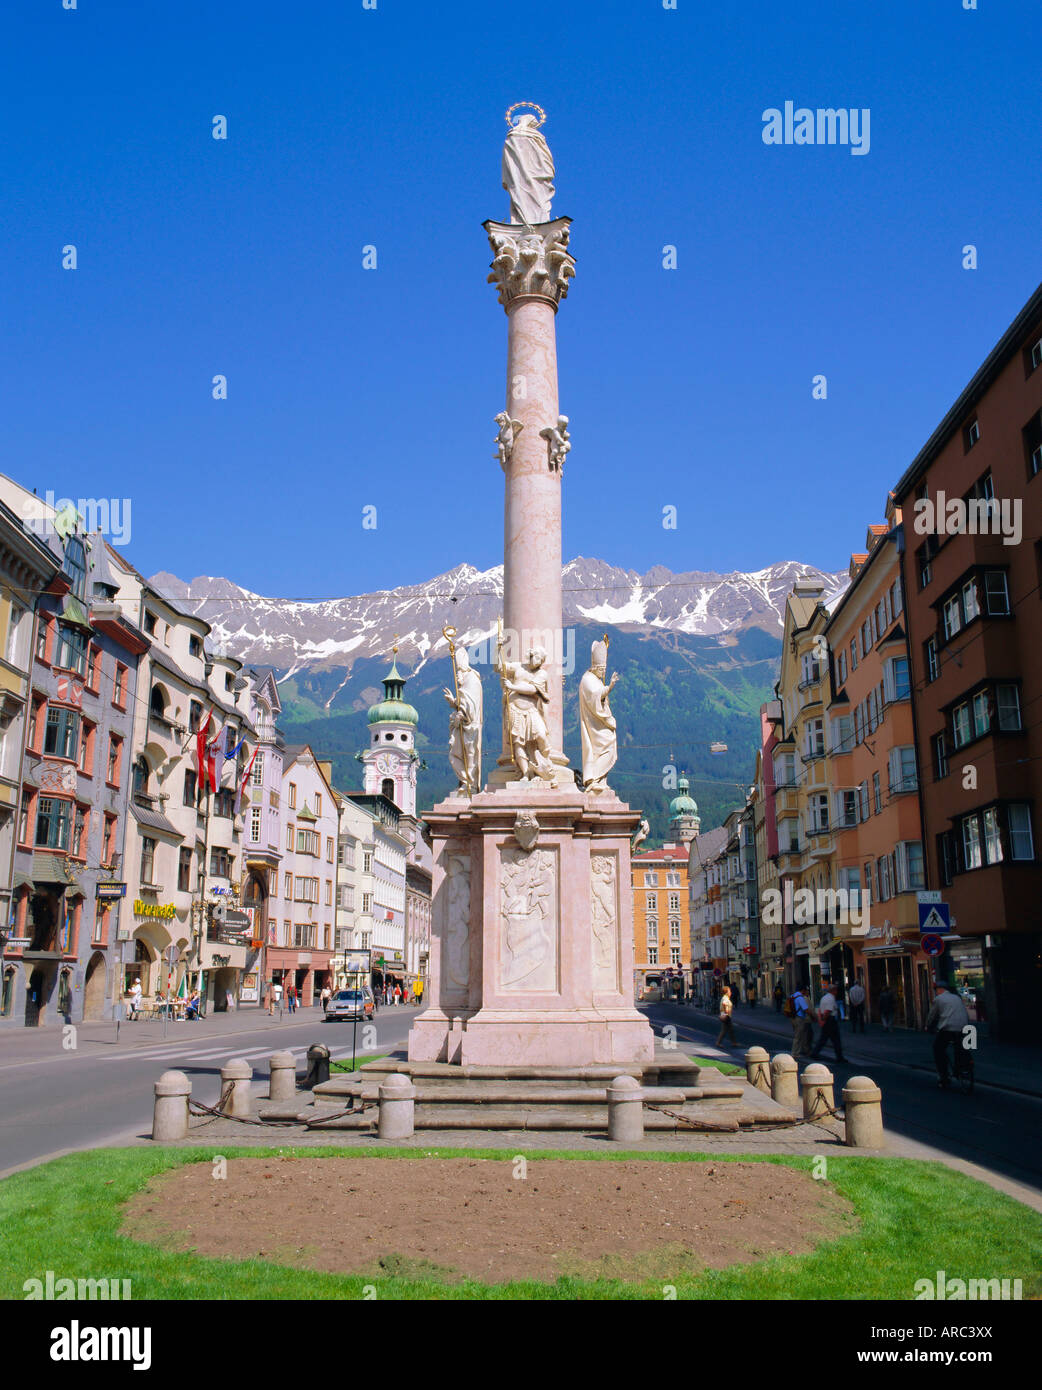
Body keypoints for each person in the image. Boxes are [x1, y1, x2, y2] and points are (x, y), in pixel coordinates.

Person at [926, 981, 970, 1089]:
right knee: (962, 1047)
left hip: (948, 1028)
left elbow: (932, 1015)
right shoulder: (956, 997)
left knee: (938, 1049)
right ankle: (962, 1066)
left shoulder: (938, 999)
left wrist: (928, 1026)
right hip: (965, 1027)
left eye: (936, 990)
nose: (936, 992)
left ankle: (943, 1077)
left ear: (939, 990)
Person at [810, 981, 846, 1063]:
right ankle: (839, 1057)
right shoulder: (831, 998)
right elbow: (828, 1011)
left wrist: (820, 1019)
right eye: (836, 990)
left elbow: (820, 1010)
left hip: (826, 1019)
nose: (837, 992)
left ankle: (815, 1053)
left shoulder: (824, 997)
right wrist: (823, 1020)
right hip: (830, 1020)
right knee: (835, 1039)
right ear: (833, 991)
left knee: (824, 1039)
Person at [790, 986, 814, 1057]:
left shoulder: (793, 996)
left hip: (792, 1018)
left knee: (798, 1035)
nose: (807, 992)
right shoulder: (800, 998)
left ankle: (798, 1051)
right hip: (799, 1018)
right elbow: (805, 1009)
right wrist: (812, 1016)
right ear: (803, 990)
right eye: (806, 991)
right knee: (798, 1036)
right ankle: (794, 1053)